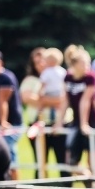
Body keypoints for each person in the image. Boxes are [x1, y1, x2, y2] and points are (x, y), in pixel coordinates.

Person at [20, 48, 71, 178]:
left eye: (43, 60)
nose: (41, 64)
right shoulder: (30, 80)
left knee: (64, 162)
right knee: (40, 162)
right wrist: (53, 100)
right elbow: (28, 98)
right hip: (38, 124)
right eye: (37, 62)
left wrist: (44, 100)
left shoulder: (61, 74)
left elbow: (65, 97)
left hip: (60, 123)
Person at [53, 46, 95, 176]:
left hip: (92, 121)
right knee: (72, 162)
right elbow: (65, 101)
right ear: (74, 64)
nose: (87, 66)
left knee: (93, 161)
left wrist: (84, 124)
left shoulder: (91, 77)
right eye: (83, 63)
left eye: (88, 63)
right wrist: (59, 122)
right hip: (76, 122)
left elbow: (85, 101)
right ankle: (89, 178)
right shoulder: (68, 77)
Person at [0, 50, 23, 179]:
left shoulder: (5, 77)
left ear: (0, 63)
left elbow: (3, 102)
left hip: (10, 124)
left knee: (11, 158)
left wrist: (3, 122)